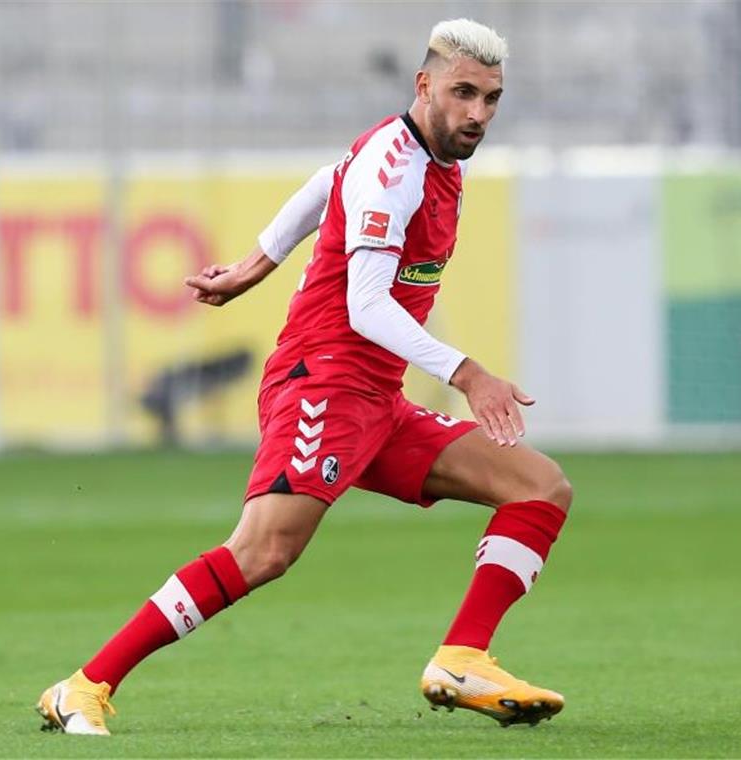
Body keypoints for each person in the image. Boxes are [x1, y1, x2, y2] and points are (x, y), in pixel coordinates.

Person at [36, 18, 572, 736]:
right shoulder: (399, 165)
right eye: (463, 93)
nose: (477, 113)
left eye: (491, 98)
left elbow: (330, 179)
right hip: (321, 381)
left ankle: (463, 656)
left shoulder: (427, 157)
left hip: (375, 398)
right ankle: (84, 686)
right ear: (425, 86)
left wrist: (255, 265)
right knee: (263, 551)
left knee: (539, 488)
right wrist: (468, 372)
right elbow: (367, 303)